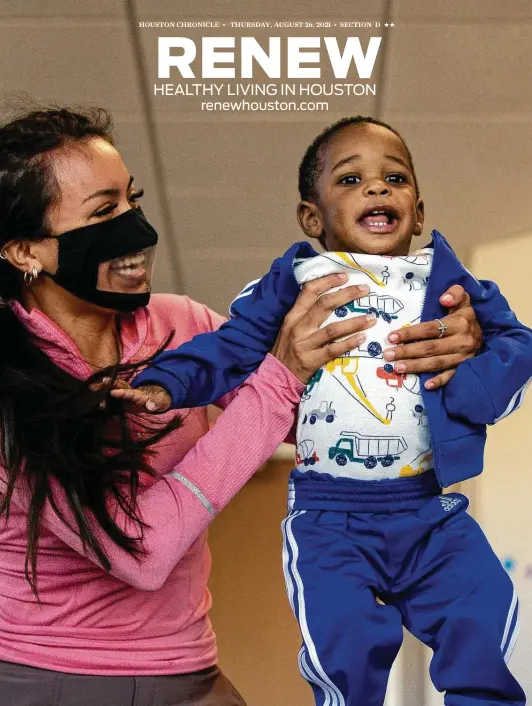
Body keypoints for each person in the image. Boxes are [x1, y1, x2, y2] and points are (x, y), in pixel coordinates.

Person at [118, 117, 530, 706]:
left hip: (429, 507)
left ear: (416, 211)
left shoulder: (446, 282)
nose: (378, 189)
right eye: (351, 179)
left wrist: (474, 385)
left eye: (395, 178)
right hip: (330, 514)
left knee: (481, 610)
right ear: (312, 218)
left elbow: (517, 344)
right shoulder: (295, 281)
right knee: (345, 642)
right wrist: (167, 383)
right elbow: (230, 348)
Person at [0, 106, 393, 706]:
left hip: (186, 668)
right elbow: (141, 552)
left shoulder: (180, 324)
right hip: (42, 676)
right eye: (104, 212)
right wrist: (280, 375)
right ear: (24, 251)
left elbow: (332, 423)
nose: (135, 229)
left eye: (131, 201)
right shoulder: (10, 380)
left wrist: (425, 342)